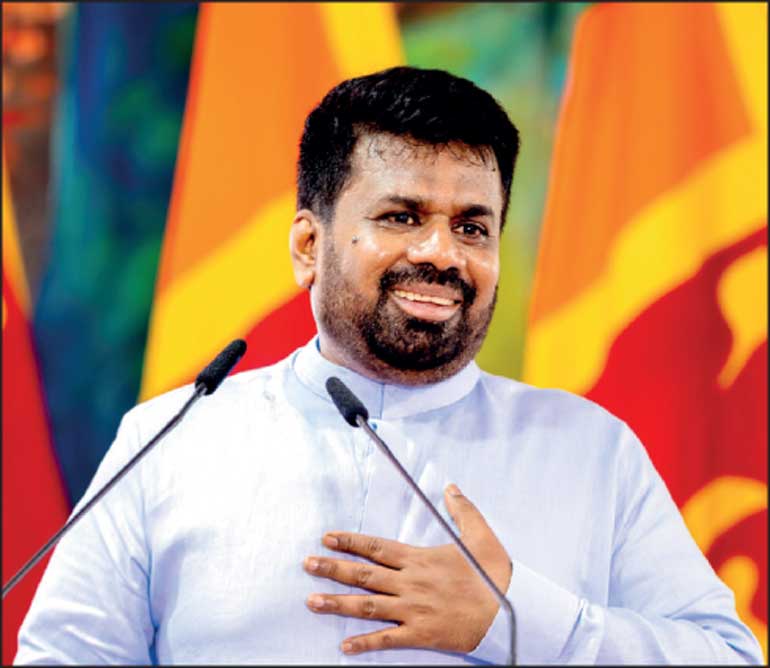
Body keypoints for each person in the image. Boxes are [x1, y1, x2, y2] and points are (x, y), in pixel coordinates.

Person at [14, 66, 763, 665]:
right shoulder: (171, 441)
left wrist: (514, 619)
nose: (442, 254)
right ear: (308, 246)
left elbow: (726, 656)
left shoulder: (589, 449)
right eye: (402, 217)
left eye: (472, 227)